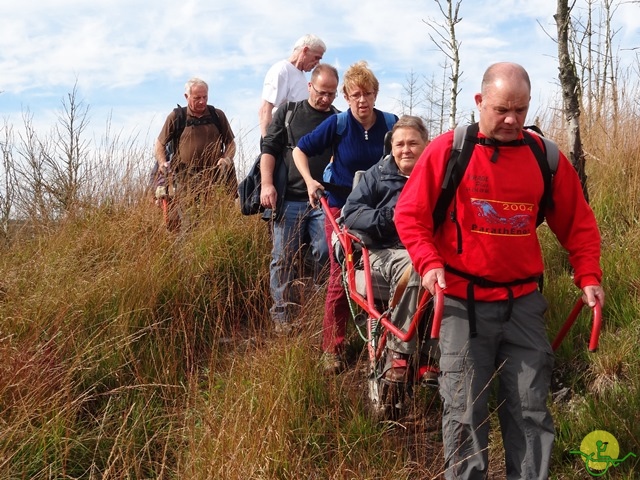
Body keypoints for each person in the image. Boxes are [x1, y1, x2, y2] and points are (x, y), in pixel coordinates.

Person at [394, 62, 605, 479]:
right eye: (502, 109)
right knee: (464, 415)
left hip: (523, 305)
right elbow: (410, 215)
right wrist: (430, 262)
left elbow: (579, 224)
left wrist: (589, 275)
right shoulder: (449, 151)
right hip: (460, 304)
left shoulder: (544, 157)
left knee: (530, 411)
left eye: (521, 111)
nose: (512, 120)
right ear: (479, 102)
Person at [293, 60, 398, 373]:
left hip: (380, 210)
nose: (362, 100)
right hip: (340, 206)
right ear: (347, 97)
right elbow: (300, 149)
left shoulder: (390, 124)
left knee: (382, 268)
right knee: (343, 272)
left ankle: (386, 340)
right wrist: (311, 181)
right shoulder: (338, 124)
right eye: (355, 94)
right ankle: (332, 348)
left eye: (367, 93)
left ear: (376, 94)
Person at [341, 115, 438, 385]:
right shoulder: (378, 175)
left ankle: (435, 356)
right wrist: (391, 217)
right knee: (422, 265)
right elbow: (352, 213)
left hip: (428, 247)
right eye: (399, 144)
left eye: (412, 143)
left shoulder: (439, 176)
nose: (405, 149)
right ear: (391, 147)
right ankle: (402, 351)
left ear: (426, 145)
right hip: (386, 250)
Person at [260, 63, 340, 335]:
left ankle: (318, 309)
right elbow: (268, 149)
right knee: (282, 257)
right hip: (289, 198)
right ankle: (282, 315)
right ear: (309, 86)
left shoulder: (339, 120)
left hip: (325, 201)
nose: (326, 98)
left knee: (328, 254)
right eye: (321, 92)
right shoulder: (288, 113)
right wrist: (267, 184)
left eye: (331, 94)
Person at [154, 77, 236, 230]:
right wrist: (162, 162)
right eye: (197, 98)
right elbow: (160, 143)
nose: (202, 101)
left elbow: (231, 143)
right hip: (185, 179)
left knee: (215, 222)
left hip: (215, 178)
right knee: (188, 223)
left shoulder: (217, 115)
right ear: (186, 97)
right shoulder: (177, 117)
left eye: (205, 97)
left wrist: (227, 159)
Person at [258, 34, 326, 138]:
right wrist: (267, 146)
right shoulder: (281, 70)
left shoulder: (300, 75)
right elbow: (265, 110)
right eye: (316, 58)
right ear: (305, 50)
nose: (317, 63)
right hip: (279, 141)